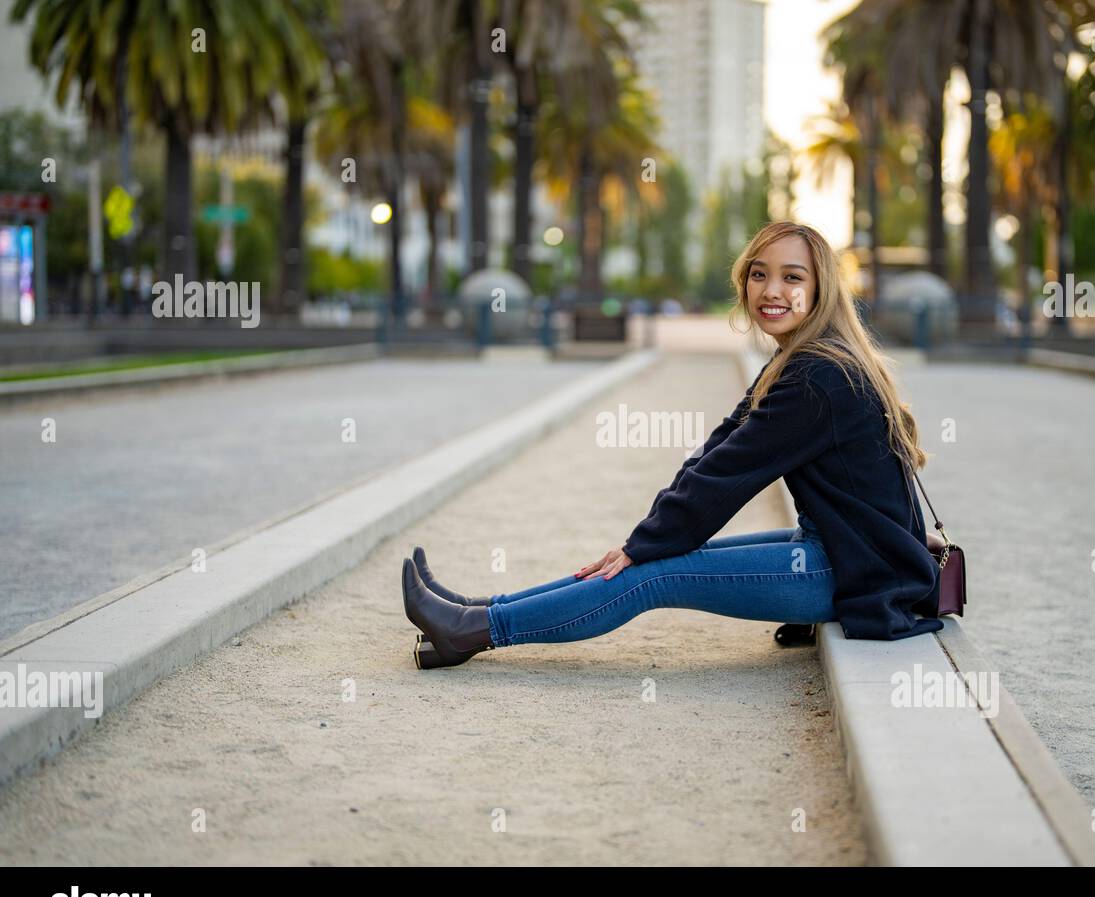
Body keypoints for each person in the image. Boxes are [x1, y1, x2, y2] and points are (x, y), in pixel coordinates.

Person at [401, 220, 946, 669]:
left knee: (651, 575)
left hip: (853, 572)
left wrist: (644, 546)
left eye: (792, 277)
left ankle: (473, 632)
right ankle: (476, 609)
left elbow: (728, 477)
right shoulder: (800, 361)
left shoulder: (818, 378)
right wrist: (651, 533)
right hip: (843, 549)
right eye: (760, 275)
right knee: (656, 554)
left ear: (820, 288)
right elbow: (718, 450)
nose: (772, 290)